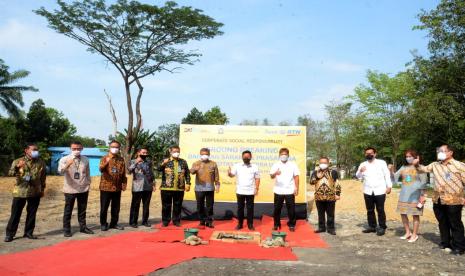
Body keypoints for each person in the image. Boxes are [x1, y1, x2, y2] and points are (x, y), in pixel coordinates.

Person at [413, 144, 465, 255]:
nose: (439, 153)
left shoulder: (460, 166)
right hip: (438, 199)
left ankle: (459, 246)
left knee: (455, 223)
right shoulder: (435, 165)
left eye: (442, 151)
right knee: (442, 222)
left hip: (454, 200)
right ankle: (445, 243)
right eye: (438, 151)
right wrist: (417, 164)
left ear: (450, 152)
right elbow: (423, 169)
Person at [5, 143, 46, 242]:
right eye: (33, 150)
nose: (36, 152)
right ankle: (10, 234)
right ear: (26, 150)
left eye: (37, 150)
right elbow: (10, 174)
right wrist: (17, 167)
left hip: (35, 191)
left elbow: (43, 177)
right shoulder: (18, 161)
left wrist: (42, 189)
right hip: (20, 191)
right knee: (15, 214)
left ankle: (28, 232)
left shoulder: (41, 162)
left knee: (32, 213)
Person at [58, 141, 94, 237]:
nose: (76, 150)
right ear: (70, 149)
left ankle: (83, 227)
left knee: (82, 209)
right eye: (74, 149)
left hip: (83, 188)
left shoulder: (85, 159)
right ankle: (66, 229)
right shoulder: (64, 159)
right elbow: (60, 172)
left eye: (78, 148)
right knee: (68, 210)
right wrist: (67, 165)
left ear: (82, 148)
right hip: (70, 189)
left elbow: (87, 172)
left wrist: (88, 183)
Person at [391, 149, 427, 243]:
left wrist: (422, 195)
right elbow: (394, 177)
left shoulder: (421, 167)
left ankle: (414, 234)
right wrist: (391, 170)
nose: (408, 158)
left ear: (416, 157)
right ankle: (408, 232)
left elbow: (424, 182)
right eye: (406, 156)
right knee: (403, 213)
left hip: (416, 195)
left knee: (415, 215)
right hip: (404, 194)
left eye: (410, 156)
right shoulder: (403, 167)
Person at [356, 147, 392, 236]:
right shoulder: (363, 164)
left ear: (375, 154)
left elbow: (387, 174)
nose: (369, 154)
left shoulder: (381, 163)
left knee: (380, 209)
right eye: (367, 153)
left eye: (370, 153)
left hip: (380, 190)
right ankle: (372, 226)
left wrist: (389, 186)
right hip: (367, 190)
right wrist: (360, 171)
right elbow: (358, 176)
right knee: (370, 210)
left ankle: (382, 227)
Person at [228, 150, 260, 230]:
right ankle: (240, 224)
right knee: (240, 208)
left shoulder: (255, 166)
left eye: (248, 157)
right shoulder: (237, 166)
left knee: (250, 209)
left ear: (251, 157)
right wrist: (229, 173)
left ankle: (250, 224)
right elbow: (232, 175)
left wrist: (256, 188)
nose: (246, 158)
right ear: (242, 157)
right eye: (245, 156)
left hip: (250, 191)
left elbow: (257, 178)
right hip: (240, 191)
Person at [159, 145, 190, 227]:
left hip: (179, 188)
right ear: (170, 151)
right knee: (166, 205)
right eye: (175, 151)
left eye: (178, 151)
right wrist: (163, 164)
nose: (177, 153)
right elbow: (157, 169)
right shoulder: (165, 160)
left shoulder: (183, 162)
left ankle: (176, 221)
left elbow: (187, 173)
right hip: (166, 187)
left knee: (178, 205)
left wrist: (188, 183)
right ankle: (165, 221)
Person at [269, 148, 300, 232]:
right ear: (279, 155)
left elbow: (296, 176)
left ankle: (292, 224)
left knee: (291, 209)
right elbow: (271, 176)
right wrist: (275, 173)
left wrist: (296, 188)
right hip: (278, 190)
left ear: (288, 155)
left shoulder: (293, 165)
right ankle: (276, 224)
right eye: (282, 154)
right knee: (277, 209)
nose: (284, 156)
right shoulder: (276, 165)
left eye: (285, 154)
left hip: (290, 190)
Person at [99, 140, 127, 231]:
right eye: (113, 147)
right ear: (109, 147)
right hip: (106, 187)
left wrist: (124, 183)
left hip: (117, 187)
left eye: (117, 147)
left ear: (119, 148)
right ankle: (103, 224)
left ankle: (114, 223)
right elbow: (101, 169)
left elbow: (123, 173)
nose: (115, 149)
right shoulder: (104, 158)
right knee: (104, 207)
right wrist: (106, 162)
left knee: (116, 207)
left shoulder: (121, 159)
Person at [310, 157, 341, 235]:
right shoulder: (315, 172)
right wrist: (317, 177)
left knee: (330, 214)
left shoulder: (333, 172)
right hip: (318, 196)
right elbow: (311, 182)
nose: (323, 164)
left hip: (330, 197)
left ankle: (331, 228)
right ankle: (321, 227)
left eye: (324, 162)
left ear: (328, 163)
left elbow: (337, 183)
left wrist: (337, 194)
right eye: (321, 162)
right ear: (319, 163)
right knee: (320, 213)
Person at [190, 148, 220, 228]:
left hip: (210, 188)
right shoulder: (196, 163)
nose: (204, 156)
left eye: (206, 154)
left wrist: (217, 185)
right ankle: (202, 221)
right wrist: (194, 169)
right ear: (200, 154)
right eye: (203, 154)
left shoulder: (213, 163)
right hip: (199, 188)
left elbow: (216, 175)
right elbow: (191, 172)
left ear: (209, 154)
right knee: (200, 206)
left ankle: (209, 221)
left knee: (210, 206)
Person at [128, 147, 155, 228]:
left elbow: (151, 173)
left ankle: (145, 221)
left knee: (146, 205)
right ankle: (133, 222)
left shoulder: (149, 162)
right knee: (135, 205)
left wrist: (153, 184)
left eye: (146, 153)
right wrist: (136, 162)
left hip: (148, 186)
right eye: (143, 153)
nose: (145, 154)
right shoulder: (132, 161)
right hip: (137, 186)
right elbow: (129, 171)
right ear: (138, 153)